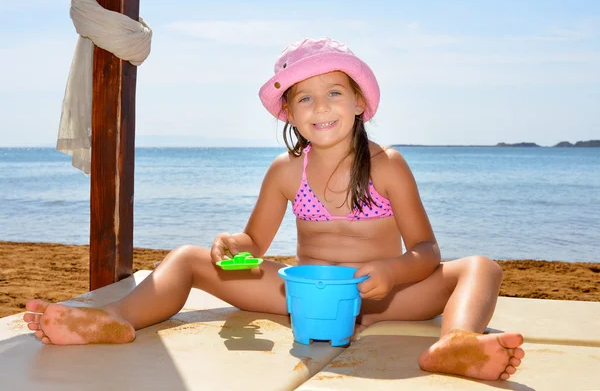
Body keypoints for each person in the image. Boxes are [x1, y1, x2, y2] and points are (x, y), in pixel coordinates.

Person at [23, 37, 524, 381]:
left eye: (333, 93)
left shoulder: (387, 165)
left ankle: (456, 342)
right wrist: (231, 246)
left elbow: (426, 250)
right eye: (304, 98)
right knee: (188, 257)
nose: (320, 107)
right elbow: (253, 246)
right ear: (289, 112)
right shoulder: (287, 171)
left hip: (383, 298)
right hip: (298, 298)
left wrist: (393, 273)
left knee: (481, 267)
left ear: (358, 104)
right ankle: (113, 318)